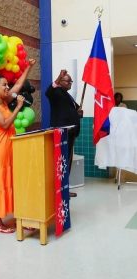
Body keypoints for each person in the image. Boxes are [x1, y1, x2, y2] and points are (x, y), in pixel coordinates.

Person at [0, 58, 36, 233]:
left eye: (7, 85)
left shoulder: (4, 101)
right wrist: (19, 106)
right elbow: (4, 124)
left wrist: (29, 67)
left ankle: (19, 216)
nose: (7, 87)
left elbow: (18, 85)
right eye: (4, 85)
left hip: (9, 145)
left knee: (12, 179)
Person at [45, 69, 83, 197]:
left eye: (71, 81)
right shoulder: (55, 92)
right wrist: (57, 77)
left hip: (70, 134)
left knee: (67, 161)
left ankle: (64, 188)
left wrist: (78, 114)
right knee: (61, 162)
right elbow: (48, 92)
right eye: (68, 81)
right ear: (60, 82)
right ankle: (59, 190)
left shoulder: (68, 95)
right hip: (61, 133)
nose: (70, 83)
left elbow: (72, 111)